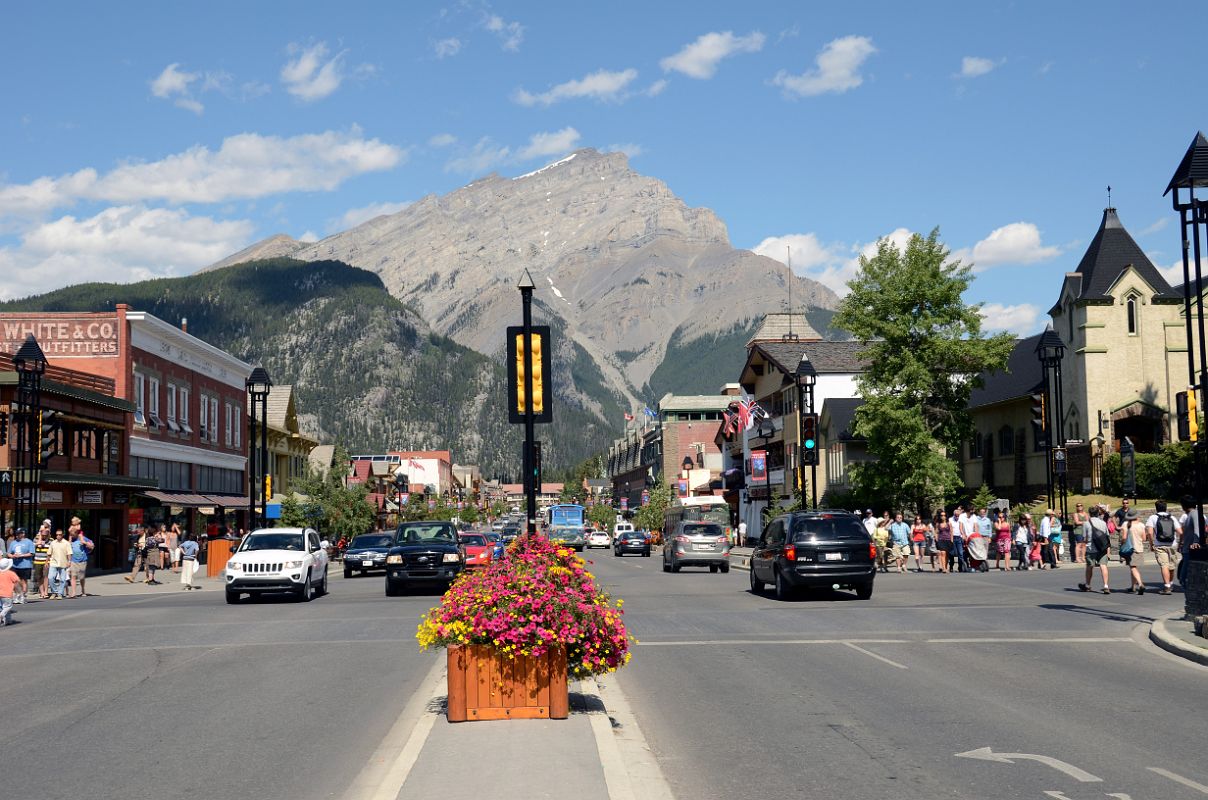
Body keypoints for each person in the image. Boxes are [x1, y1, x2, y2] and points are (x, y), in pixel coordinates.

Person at [1146, 500, 1182, 596]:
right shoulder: (1172, 518)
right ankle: (1170, 584)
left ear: (1156, 508)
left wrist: (1151, 544)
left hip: (1159, 545)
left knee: (1164, 565)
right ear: (1166, 508)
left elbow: (1149, 532)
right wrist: (1180, 543)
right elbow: (1180, 532)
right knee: (1171, 566)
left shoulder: (1152, 517)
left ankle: (1166, 586)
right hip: (1172, 544)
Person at [1079, 506, 1111, 594]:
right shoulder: (1103, 523)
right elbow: (1107, 536)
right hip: (1102, 548)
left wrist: (1082, 552)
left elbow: (1084, 538)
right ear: (1097, 513)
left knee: (1090, 566)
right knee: (1103, 566)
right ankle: (1106, 585)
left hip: (1091, 548)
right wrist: (1108, 550)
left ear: (1089, 513)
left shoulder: (1086, 523)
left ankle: (1088, 585)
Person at [1178, 495, 1203, 588]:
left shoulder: (1194, 514)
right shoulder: (1190, 515)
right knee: (1184, 577)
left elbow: (1198, 529)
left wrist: (1196, 541)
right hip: (1187, 549)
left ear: (1183, 505)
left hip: (1191, 551)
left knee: (1184, 578)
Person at [1119, 509, 1146, 594]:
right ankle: (1133, 586)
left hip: (1130, 549)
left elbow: (1123, 537)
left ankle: (1140, 584)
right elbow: (1144, 538)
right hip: (1139, 548)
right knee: (1133, 567)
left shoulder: (1125, 524)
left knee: (1133, 567)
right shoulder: (1141, 525)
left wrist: (1122, 544)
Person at [6, 527, 34, 605]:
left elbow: (31, 553)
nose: (17, 535)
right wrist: (12, 556)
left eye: (19, 533)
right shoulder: (13, 543)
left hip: (25, 565)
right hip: (15, 564)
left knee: (23, 581)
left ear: (23, 534)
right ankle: (17, 594)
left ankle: (23, 596)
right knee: (14, 581)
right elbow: (8, 553)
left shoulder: (29, 542)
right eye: (17, 533)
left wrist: (22, 555)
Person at [68, 524, 94, 598]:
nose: (71, 535)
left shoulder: (83, 538)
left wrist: (85, 543)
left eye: (72, 533)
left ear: (76, 533)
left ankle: (83, 589)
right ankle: (73, 592)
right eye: (70, 534)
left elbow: (92, 546)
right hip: (73, 560)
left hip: (82, 560)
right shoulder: (70, 540)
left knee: (81, 577)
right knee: (73, 576)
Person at [47, 529, 72, 599]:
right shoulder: (53, 543)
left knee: (62, 579)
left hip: (63, 563)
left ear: (62, 535)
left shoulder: (66, 543)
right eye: (57, 535)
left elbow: (69, 553)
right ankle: (54, 592)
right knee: (50, 578)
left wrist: (69, 561)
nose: (58, 536)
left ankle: (60, 593)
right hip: (53, 563)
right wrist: (47, 562)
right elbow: (49, 553)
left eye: (60, 535)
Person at [32, 528, 51, 599]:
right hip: (37, 561)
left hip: (46, 561)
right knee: (39, 577)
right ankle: (42, 592)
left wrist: (47, 561)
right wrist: (39, 541)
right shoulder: (36, 540)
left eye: (45, 535)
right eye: (42, 535)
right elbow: (32, 546)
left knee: (46, 576)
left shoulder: (50, 540)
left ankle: (46, 592)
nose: (44, 536)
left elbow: (50, 551)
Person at [0, 558, 19, 626]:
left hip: (0, 593)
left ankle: (8, 620)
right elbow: (16, 582)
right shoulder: (11, 573)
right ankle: (1, 615)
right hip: (7, 593)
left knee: (4, 606)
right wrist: (17, 591)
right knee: (8, 607)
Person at [935, 509, 953, 573]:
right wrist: (937, 540)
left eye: (944, 515)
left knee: (947, 555)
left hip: (948, 540)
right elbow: (936, 532)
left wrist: (952, 540)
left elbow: (951, 532)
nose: (943, 517)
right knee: (943, 553)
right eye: (941, 515)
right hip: (941, 540)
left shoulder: (949, 523)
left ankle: (946, 566)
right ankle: (943, 568)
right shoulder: (938, 524)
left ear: (946, 516)